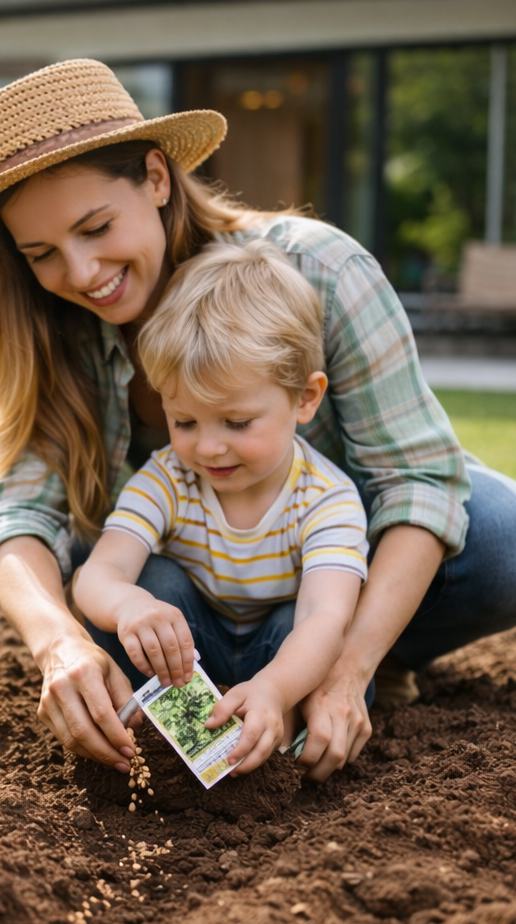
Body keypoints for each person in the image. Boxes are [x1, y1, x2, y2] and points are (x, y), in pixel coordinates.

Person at [0, 59, 516, 783]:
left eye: (96, 227)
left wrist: (346, 669)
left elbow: (415, 477)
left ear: (157, 179)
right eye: (42, 254)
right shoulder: (47, 324)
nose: (82, 272)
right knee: (103, 587)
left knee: (512, 544)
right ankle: (202, 710)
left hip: (327, 568)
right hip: (177, 599)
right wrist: (59, 645)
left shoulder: (320, 270)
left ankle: (361, 664)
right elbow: (15, 515)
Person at [74, 240, 370, 774]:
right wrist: (129, 606)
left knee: (308, 628)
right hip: (189, 650)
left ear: (305, 398)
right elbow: (98, 574)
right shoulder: (168, 477)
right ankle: (167, 744)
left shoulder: (327, 498)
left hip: (281, 657)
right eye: (184, 422)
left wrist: (275, 689)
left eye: (236, 423)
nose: (208, 447)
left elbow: (325, 617)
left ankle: (270, 740)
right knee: (153, 587)